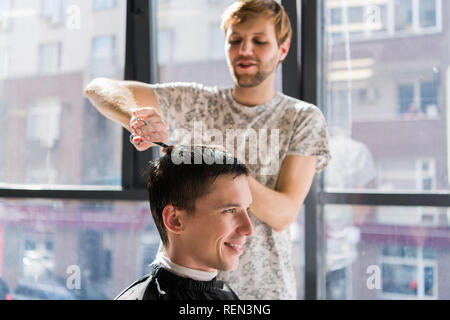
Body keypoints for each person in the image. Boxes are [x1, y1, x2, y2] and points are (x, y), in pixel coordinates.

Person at [85, 0, 331, 299]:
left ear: (283, 48)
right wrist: (139, 119)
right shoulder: (195, 104)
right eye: (235, 40)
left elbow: (283, 213)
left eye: (259, 41)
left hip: (264, 294)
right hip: (182, 288)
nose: (245, 50)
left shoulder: (302, 118)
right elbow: (98, 88)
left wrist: (212, 164)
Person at [115, 145, 253, 300]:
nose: (248, 229)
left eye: (247, 209)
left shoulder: (227, 296)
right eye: (229, 210)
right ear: (175, 220)